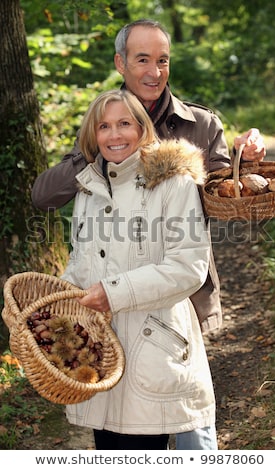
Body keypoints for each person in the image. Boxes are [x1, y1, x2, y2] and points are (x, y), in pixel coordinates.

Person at [31, 19, 266, 449]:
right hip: (113, 309)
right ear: (121, 63)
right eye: (143, 60)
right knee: (125, 426)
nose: (154, 71)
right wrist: (93, 154)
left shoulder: (198, 124)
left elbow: (225, 197)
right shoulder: (101, 138)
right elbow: (58, 213)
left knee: (187, 419)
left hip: (179, 297)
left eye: (163, 60)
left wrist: (243, 160)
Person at [59, 88, 215, 450]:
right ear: (92, 135)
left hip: (153, 350)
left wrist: (113, 292)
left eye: (124, 124)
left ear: (142, 128)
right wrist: (55, 302)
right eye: (104, 126)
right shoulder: (88, 190)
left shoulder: (173, 183)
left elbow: (188, 266)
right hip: (99, 355)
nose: (115, 135)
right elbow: (79, 263)